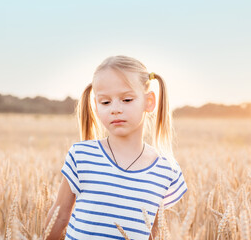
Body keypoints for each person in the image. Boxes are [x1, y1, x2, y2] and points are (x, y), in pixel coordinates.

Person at [44, 55, 188, 240]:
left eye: (127, 100)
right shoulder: (81, 155)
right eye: (105, 102)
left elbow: (152, 231)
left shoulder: (166, 169)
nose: (115, 109)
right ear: (96, 106)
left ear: (149, 102)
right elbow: (60, 216)